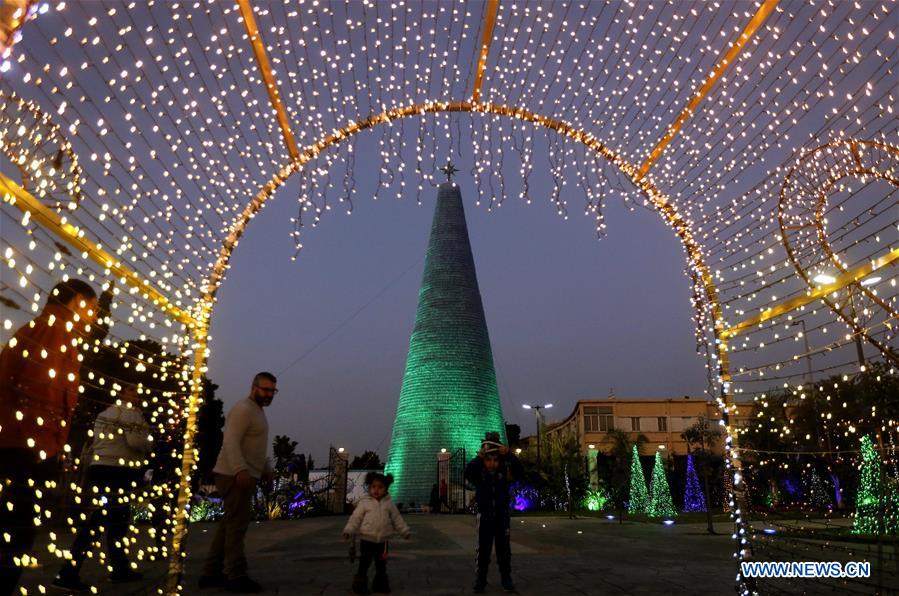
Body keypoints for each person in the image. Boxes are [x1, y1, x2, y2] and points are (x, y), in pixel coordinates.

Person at [0, 279, 99, 593]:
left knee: (13, 529)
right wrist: (47, 449)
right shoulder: (55, 332)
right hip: (26, 448)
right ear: (78, 301)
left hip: (18, 442)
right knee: (17, 532)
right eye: (93, 308)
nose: (94, 318)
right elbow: (44, 395)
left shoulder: (40, 329)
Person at [53, 382, 152, 590]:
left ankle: (119, 567)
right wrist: (149, 443)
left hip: (100, 468)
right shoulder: (131, 413)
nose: (137, 394)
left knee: (114, 519)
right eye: (132, 390)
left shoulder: (105, 414)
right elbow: (136, 442)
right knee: (105, 520)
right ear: (122, 392)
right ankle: (68, 572)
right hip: (118, 469)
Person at [199, 372, 278, 593]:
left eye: (272, 390)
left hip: (244, 474)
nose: (269, 394)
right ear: (254, 387)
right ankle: (236, 575)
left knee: (229, 525)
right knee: (236, 527)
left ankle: (210, 573)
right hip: (233, 475)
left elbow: (255, 447)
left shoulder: (257, 411)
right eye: (265, 389)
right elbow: (231, 441)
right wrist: (240, 469)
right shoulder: (244, 409)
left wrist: (266, 469)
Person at [464, 432, 524, 594]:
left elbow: (520, 472)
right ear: (484, 460)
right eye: (488, 460)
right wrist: (478, 458)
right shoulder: (480, 475)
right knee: (483, 550)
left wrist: (509, 455)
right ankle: (481, 579)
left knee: (504, 550)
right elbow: (467, 473)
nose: (492, 463)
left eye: (495, 460)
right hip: (485, 517)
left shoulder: (504, 474)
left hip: (502, 517)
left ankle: (506, 578)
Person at [342, 472, 411, 595]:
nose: (376, 490)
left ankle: (380, 585)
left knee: (381, 564)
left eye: (380, 487)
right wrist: (349, 530)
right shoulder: (364, 502)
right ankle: (360, 584)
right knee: (364, 563)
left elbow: (397, 518)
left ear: (386, 488)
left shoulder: (389, 503)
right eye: (373, 486)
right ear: (369, 487)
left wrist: (404, 531)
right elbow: (355, 518)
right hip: (367, 539)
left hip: (383, 541)